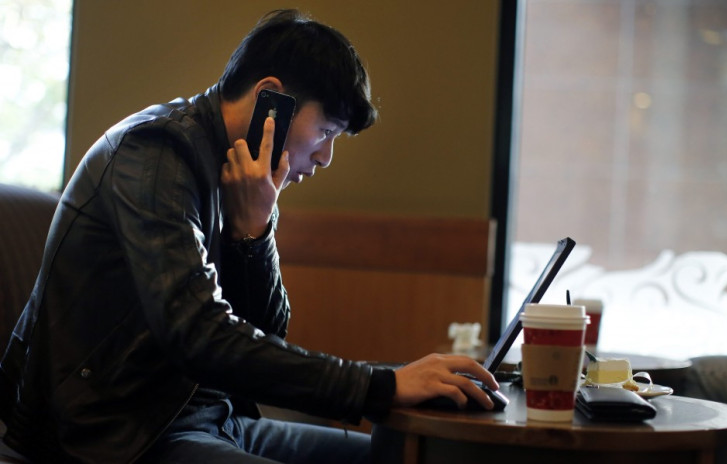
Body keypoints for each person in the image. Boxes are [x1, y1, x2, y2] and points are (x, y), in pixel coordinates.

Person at [0, 9, 498, 464]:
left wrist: (255, 231)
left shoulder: (237, 179)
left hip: (209, 420)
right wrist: (380, 388)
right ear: (270, 101)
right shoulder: (153, 157)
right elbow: (197, 333)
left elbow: (265, 333)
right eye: (325, 132)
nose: (325, 157)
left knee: (392, 457)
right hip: (117, 435)